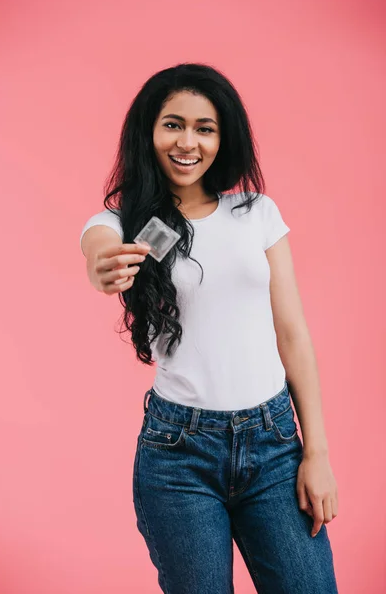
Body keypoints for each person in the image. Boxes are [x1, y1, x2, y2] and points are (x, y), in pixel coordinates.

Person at [80, 63, 339, 594]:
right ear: (149, 132)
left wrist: (317, 452)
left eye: (205, 128)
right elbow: (98, 247)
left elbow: (292, 333)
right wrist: (105, 264)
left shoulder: (256, 213)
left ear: (225, 139)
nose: (188, 142)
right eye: (173, 124)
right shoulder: (128, 222)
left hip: (273, 444)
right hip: (179, 456)